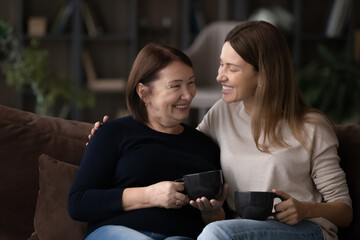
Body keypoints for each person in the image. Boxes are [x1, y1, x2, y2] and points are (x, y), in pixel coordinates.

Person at [90, 21, 353, 240]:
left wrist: (305, 209)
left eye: (232, 68)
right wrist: (111, 136)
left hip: (305, 230)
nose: (219, 76)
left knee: (216, 233)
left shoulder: (312, 126)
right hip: (242, 229)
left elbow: (344, 211)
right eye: (221, 64)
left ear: (263, 75)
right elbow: (179, 148)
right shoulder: (222, 113)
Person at [68, 43, 227, 240]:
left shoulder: (206, 145)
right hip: (118, 232)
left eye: (191, 83)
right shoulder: (113, 132)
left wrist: (212, 214)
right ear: (144, 93)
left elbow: (221, 222)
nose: (188, 94)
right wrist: (150, 195)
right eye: (175, 86)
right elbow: (79, 203)